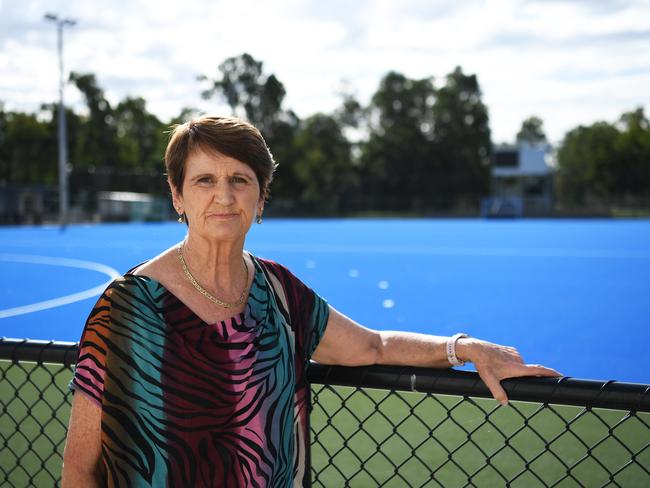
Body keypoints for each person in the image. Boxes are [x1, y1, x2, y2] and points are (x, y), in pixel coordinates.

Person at [61, 115, 560, 487]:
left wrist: (464, 348)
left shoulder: (279, 291)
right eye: (205, 180)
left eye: (241, 180)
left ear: (261, 198)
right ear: (177, 196)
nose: (225, 196)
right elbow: (80, 467)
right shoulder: (129, 308)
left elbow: (373, 346)